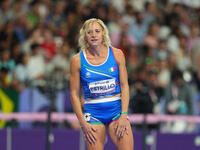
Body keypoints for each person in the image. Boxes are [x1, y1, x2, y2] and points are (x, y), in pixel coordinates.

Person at [70, 18, 134, 150]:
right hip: (93, 114)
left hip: (116, 112)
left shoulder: (117, 54)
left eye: (97, 31)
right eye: (89, 32)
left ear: (103, 34)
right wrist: (83, 123)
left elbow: (124, 86)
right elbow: (74, 94)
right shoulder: (77, 60)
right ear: (85, 36)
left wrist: (124, 115)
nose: (93, 35)